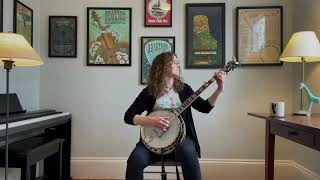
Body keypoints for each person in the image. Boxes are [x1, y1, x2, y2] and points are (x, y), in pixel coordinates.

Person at [124, 52, 225, 180]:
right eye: (174, 62)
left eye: (178, 62)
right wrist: (151, 121)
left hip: (181, 142)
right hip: (153, 144)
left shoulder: (184, 90)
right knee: (135, 159)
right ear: (163, 66)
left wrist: (219, 89)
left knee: (187, 150)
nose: (178, 65)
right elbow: (128, 116)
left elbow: (205, 108)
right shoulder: (150, 92)